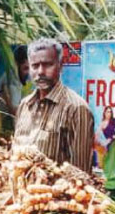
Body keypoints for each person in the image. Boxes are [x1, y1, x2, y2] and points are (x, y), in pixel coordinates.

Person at [13, 38, 94, 172]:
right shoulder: (24, 105)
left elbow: (80, 175)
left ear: (61, 65)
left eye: (47, 65)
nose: (40, 72)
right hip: (21, 190)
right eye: (35, 66)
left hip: (55, 192)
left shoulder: (76, 108)